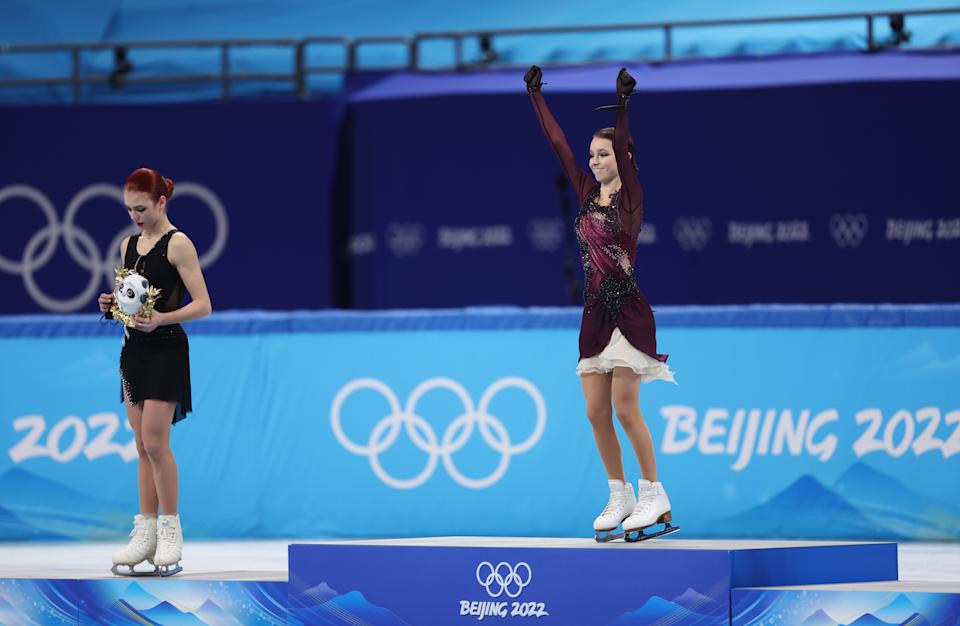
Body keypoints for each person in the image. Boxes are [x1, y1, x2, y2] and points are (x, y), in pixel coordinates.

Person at [525, 66, 678, 542]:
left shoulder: (630, 196)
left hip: (628, 314)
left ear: (624, 158)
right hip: (593, 314)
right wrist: (535, 96)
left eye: (603, 154)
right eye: (591, 154)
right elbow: (559, 145)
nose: (593, 160)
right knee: (595, 412)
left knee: (626, 405)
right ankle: (620, 492)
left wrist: (623, 103)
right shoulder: (587, 193)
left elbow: (624, 137)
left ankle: (655, 492)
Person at [98, 167, 212, 574]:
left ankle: (170, 531)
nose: (135, 216)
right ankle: (144, 531)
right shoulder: (128, 245)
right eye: (129, 209)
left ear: (162, 202)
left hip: (166, 349)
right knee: (140, 445)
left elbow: (203, 304)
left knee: (156, 441)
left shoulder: (178, 244)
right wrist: (113, 307)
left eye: (142, 208)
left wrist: (161, 320)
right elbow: (135, 307)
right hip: (133, 352)